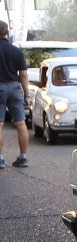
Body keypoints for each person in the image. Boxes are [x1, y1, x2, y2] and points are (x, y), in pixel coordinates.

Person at [0, 20, 30, 169]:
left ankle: (0, 159)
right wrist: (27, 96)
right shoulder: (16, 51)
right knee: (20, 123)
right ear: (7, 33)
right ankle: (23, 157)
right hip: (14, 87)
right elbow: (23, 75)